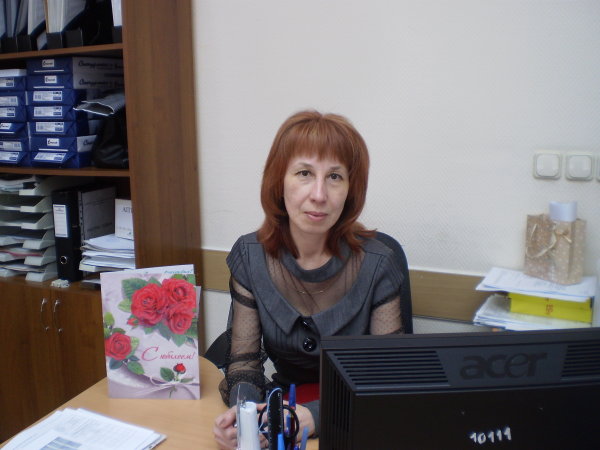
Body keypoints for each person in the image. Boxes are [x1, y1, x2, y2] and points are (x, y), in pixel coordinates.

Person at [213, 110, 405, 450]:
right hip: (283, 416)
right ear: (279, 181)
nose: (319, 194)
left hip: (356, 423)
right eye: (304, 173)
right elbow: (244, 364)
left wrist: (316, 415)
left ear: (350, 189)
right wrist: (245, 417)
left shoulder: (379, 263)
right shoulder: (250, 256)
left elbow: (388, 377)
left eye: (335, 177)